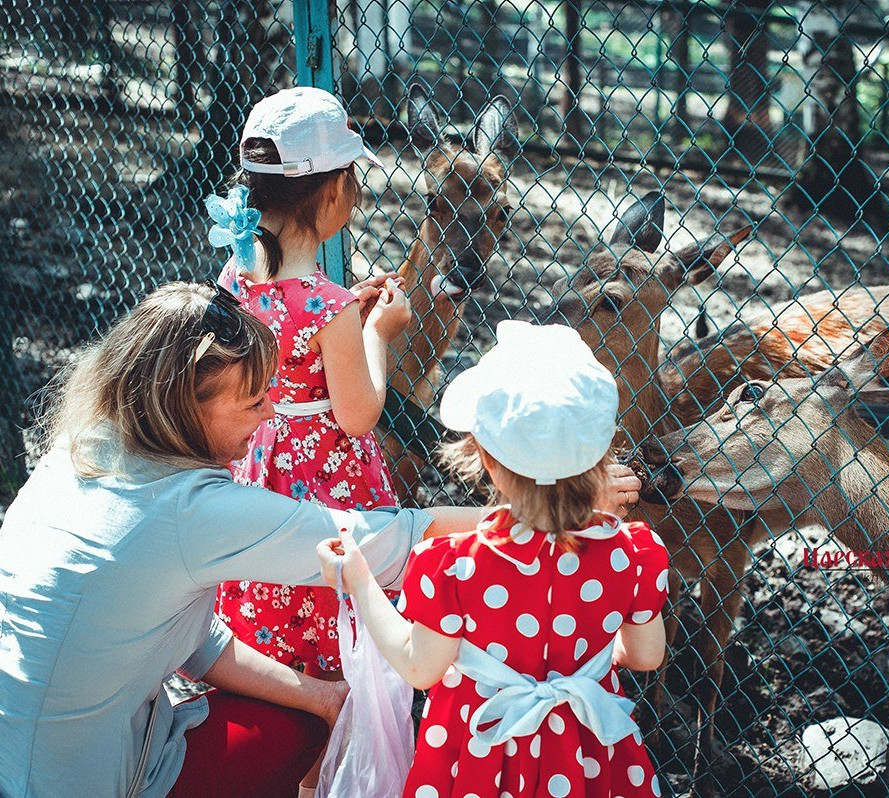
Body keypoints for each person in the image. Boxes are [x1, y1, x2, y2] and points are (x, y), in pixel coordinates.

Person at [0, 282, 488, 798]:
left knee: (306, 708)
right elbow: (383, 541)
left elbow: (195, 639)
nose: (270, 414)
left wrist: (322, 697)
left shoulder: (81, 448)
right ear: (185, 404)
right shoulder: (192, 512)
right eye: (254, 400)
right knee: (292, 729)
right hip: (81, 781)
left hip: (26, 760)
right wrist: (527, 515)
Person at [317, 320, 668, 798]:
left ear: (487, 460)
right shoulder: (633, 554)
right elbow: (646, 655)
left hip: (480, 753)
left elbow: (420, 668)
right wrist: (579, 659)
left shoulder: (454, 565)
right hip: (587, 752)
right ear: (600, 457)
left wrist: (359, 579)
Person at [205, 86, 410, 681]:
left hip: (260, 467)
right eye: (351, 175)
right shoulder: (329, 307)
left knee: (274, 601)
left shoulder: (238, 269)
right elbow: (358, 415)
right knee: (329, 615)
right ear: (331, 192)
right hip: (326, 486)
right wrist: (377, 332)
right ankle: (325, 752)